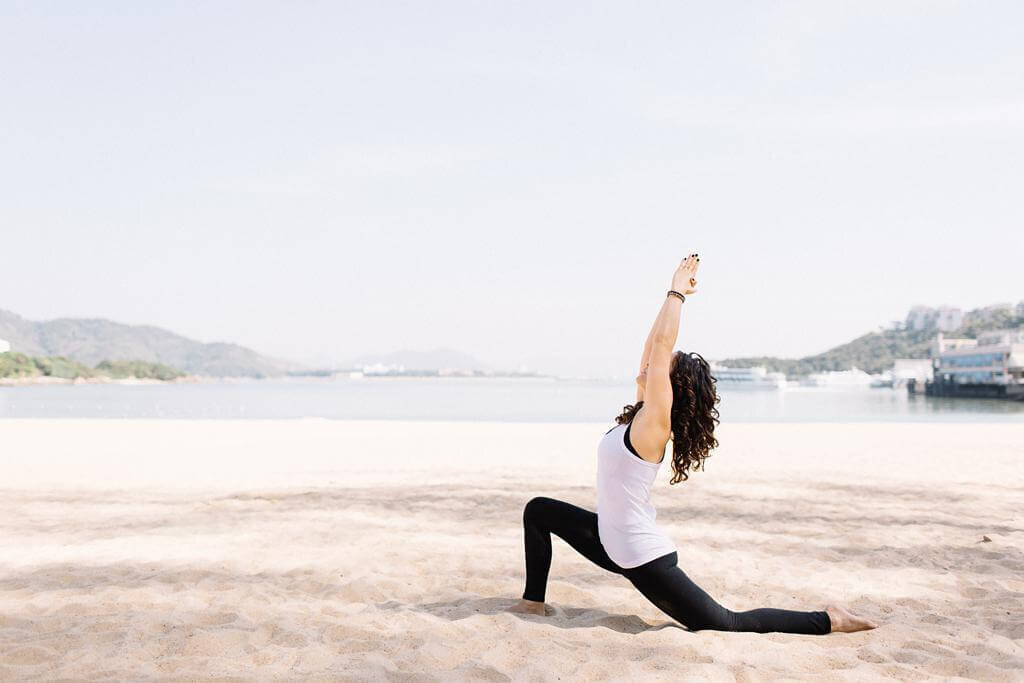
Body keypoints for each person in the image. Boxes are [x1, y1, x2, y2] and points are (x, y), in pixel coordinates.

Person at [508, 253, 876, 634]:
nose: (650, 363)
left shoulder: (654, 422)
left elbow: (664, 344)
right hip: (610, 540)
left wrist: (676, 292)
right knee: (538, 510)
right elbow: (655, 344)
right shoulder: (640, 409)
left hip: (640, 555)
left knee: (724, 623)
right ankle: (532, 602)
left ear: (670, 388)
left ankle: (830, 619)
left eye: (660, 366)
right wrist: (665, 302)